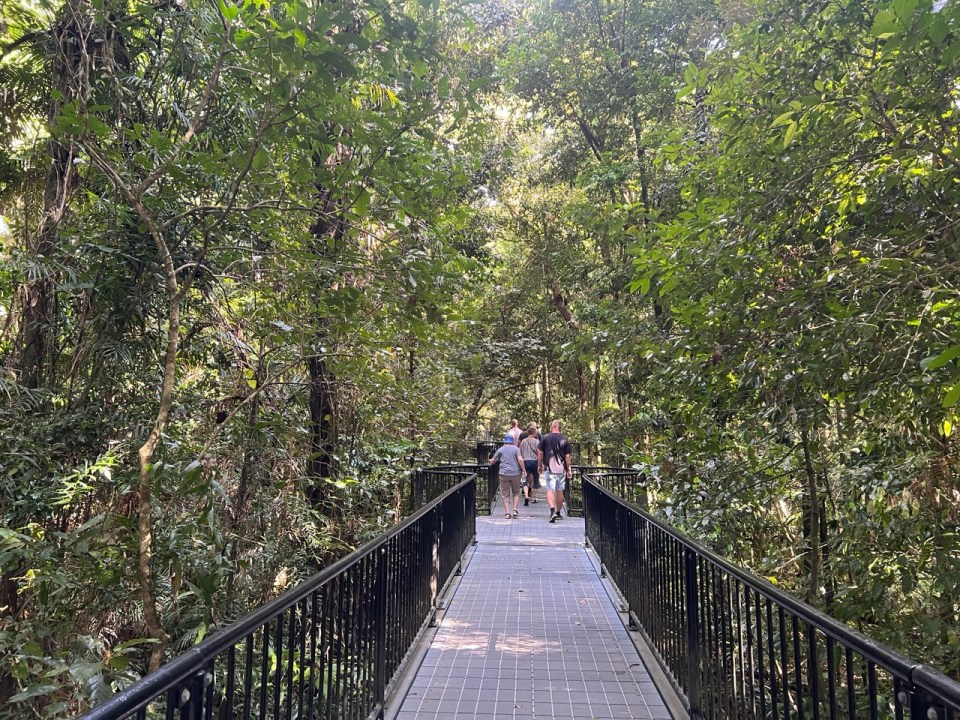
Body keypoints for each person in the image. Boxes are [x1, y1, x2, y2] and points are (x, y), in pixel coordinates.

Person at [538, 419, 572, 523]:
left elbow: (540, 453)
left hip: (549, 468)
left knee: (550, 489)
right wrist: (568, 469)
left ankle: (552, 511)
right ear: (559, 427)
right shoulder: (564, 439)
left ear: (552, 426)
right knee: (559, 490)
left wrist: (539, 466)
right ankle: (558, 512)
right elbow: (567, 456)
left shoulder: (545, 438)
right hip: (561, 469)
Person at [490, 434, 524, 519]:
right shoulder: (516, 449)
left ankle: (507, 513)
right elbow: (520, 459)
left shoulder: (500, 450)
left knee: (505, 493)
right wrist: (523, 469)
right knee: (516, 492)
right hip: (515, 473)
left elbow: (493, 461)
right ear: (512, 441)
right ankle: (515, 510)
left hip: (503, 473)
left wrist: (489, 460)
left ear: (504, 441)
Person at [518, 423, 541, 505]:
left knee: (524, 479)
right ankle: (534, 498)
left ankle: (526, 496)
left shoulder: (523, 441)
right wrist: (540, 464)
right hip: (535, 462)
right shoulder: (537, 441)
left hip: (525, 462)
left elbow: (519, 452)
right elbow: (539, 453)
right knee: (536, 480)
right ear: (534, 433)